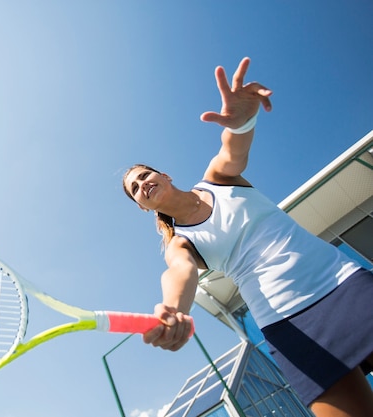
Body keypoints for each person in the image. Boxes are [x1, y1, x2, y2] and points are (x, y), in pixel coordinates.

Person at [121, 57, 373, 417]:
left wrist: (242, 123)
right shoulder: (180, 244)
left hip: (341, 284)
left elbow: (232, 151)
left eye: (145, 175)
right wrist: (174, 311)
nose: (143, 184)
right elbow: (179, 273)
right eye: (135, 189)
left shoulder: (217, 180)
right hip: (288, 327)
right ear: (143, 207)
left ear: (164, 174)